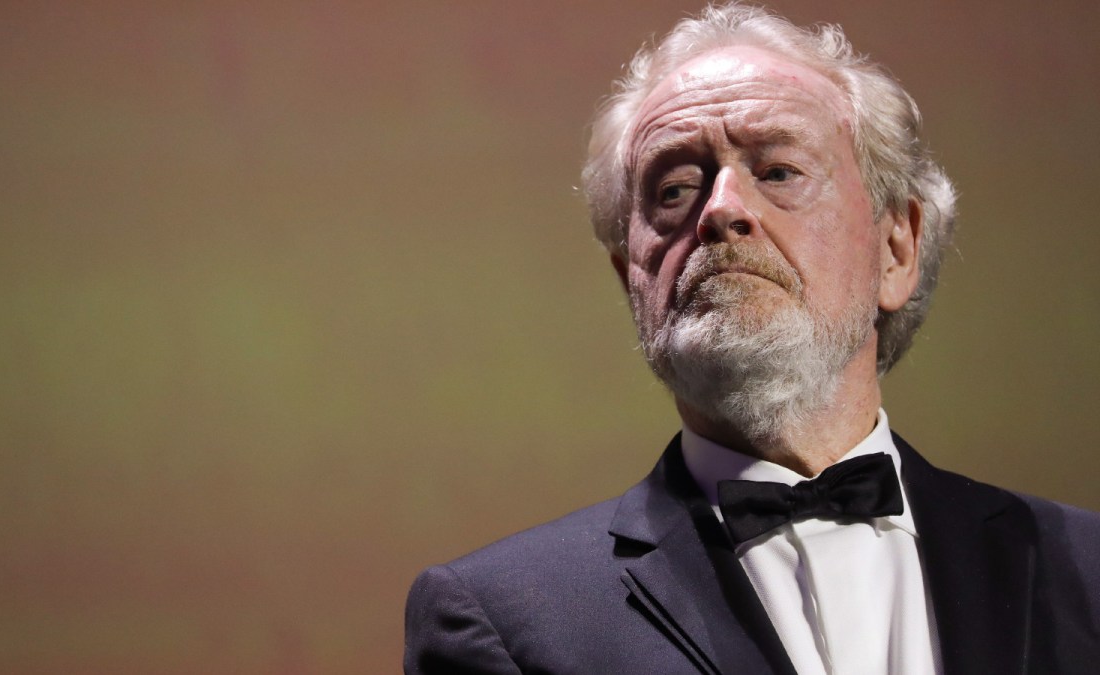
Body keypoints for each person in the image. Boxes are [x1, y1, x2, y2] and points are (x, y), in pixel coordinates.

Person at [404, 4, 1100, 673]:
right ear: (631, 279)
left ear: (896, 249)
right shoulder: (505, 620)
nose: (722, 210)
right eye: (674, 188)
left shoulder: (1087, 571)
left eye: (777, 172)